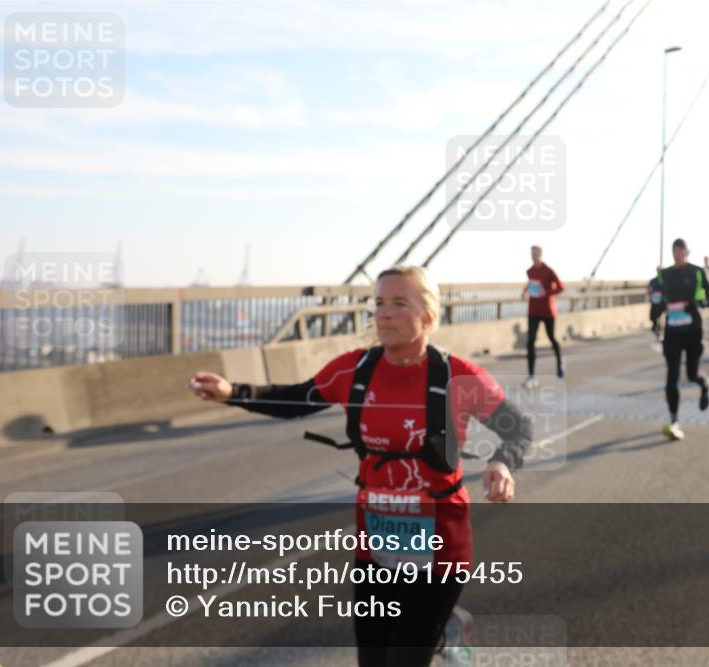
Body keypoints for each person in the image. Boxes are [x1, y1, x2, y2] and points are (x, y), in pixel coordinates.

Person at [188, 266, 531, 667]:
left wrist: (503, 464)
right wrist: (233, 392)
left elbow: (518, 427)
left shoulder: (457, 376)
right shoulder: (356, 370)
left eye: (399, 303)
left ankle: (438, 628)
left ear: (428, 316)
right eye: (379, 303)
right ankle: (443, 630)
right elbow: (298, 399)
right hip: (376, 546)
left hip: (440, 545)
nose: (384, 314)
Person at [658, 239, 709, 441]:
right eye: (674, 250)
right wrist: (654, 318)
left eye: (680, 250)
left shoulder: (698, 272)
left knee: (691, 374)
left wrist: (697, 303)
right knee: (671, 375)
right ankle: (674, 420)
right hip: (672, 331)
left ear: (686, 252)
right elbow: (659, 299)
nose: (677, 254)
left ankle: (705, 384)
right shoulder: (665, 274)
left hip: (693, 331)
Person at [522, 245, 564, 388]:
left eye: (536, 253)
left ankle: (560, 364)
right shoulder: (529, 271)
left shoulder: (549, 271)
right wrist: (525, 291)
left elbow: (560, 287)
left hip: (547, 310)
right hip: (533, 311)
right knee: (530, 342)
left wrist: (546, 293)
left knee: (552, 338)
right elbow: (530, 285)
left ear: (540, 254)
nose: (533, 256)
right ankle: (531, 376)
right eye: (531, 253)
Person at [648, 267, 665, 341]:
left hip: (662, 302)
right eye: (658, 270)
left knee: (659, 317)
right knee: (652, 317)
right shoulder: (653, 280)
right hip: (654, 302)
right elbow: (649, 289)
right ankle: (656, 328)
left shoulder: (665, 280)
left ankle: (659, 331)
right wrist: (650, 291)